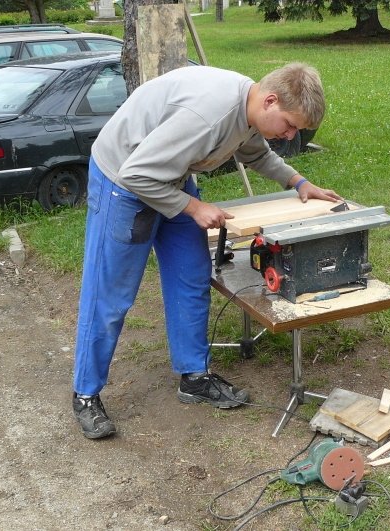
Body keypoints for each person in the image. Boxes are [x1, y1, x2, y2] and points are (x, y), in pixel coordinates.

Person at [72, 62, 342, 439]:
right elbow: (137, 174)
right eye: (290, 125)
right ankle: (85, 394)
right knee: (110, 293)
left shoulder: (249, 110)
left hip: (170, 177)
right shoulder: (207, 118)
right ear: (270, 101)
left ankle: (194, 377)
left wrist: (299, 183)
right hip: (125, 181)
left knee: (191, 277)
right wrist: (194, 207)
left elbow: (256, 153)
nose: (290, 134)